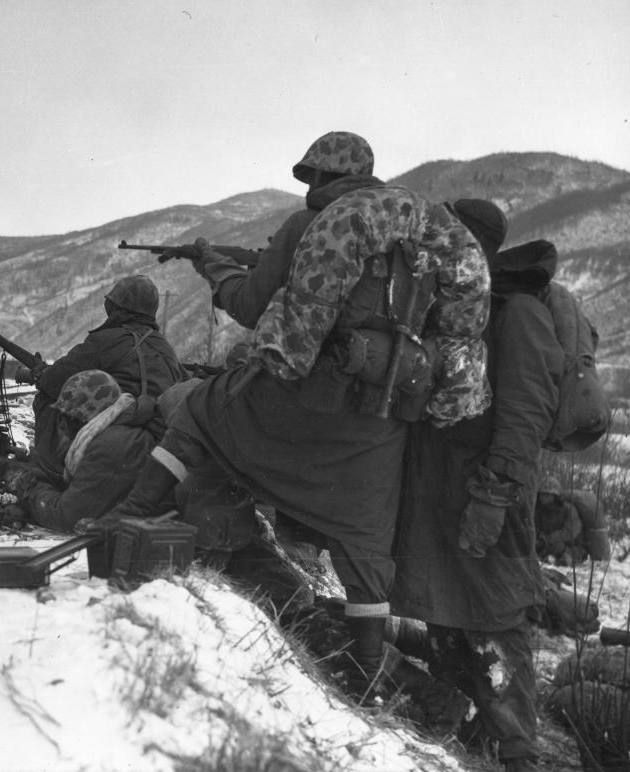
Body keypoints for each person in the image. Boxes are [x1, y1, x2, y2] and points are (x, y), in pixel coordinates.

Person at [86, 182, 493, 703]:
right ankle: (366, 670)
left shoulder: (318, 229)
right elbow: (454, 354)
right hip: (377, 426)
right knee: (365, 543)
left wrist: (216, 269)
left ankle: (133, 511)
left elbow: (256, 308)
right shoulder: (449, 265)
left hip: (306, 398)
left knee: (201, 412)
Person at [390, 229, 565, 772]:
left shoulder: (516, 314)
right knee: (447, 612)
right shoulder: (458, 304)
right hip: (443, 490)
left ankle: (519, 755)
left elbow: (526, 415)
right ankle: (472, 743)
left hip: (490, 493)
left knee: (495, 615)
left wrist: (494, 495)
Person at [172, 131, 384, 329]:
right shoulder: (392, 229)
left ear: (319, 175)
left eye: (311, 178)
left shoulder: (307, 225)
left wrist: (214, 265)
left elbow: (248, 307)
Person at [30, 275, 186, 481]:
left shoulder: (105, 340)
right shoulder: (165, 348)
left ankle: (49, 474)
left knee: (47, 398)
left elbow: (53, 382)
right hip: (159, 439)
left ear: (117, 309)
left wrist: (41, 373)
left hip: (114, 435)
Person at [0, 370, 171, 532]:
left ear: (86, 416)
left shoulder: (112, 445)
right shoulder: (118, 430)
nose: (63, 425)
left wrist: (24, 484)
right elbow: (83, 486)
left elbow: (66, 517)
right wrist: (34, 468)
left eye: (69, 417)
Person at [535, 474, 611, 565]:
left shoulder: (568, 509)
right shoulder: (539, 511)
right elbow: (535, 528)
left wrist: (547, 540)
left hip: (574, 548)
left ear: (555, 496)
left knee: (563, 558)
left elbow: (570, 531)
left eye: (547, 495)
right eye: (541, 495)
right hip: (550, 546)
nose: (543, 498)